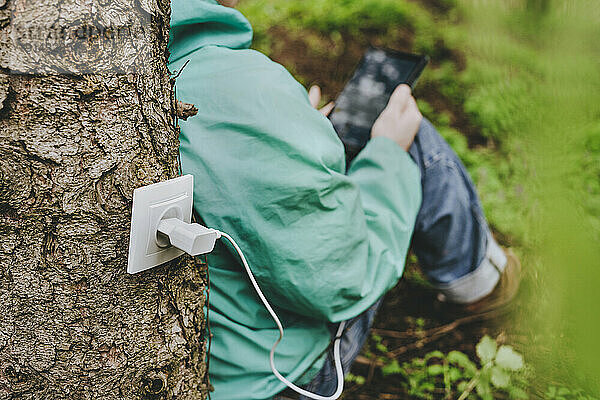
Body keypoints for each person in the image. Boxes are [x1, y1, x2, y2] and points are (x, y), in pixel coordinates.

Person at [168, 1, 521, 399]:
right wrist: (388, 151)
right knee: (411, 136)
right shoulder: (241, 88)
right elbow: (340, 278)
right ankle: (480, 282)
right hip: (279, 379)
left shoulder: (113, 94)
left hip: (201, 360)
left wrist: (293, 135)